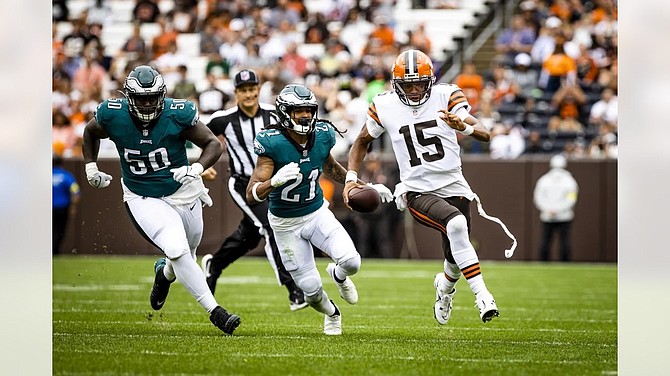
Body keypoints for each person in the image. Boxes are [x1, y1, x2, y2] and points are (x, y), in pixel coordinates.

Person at [345, 49, 517, 326]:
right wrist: (351, 176)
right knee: (457, 226)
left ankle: (445, 288)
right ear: (395, 84)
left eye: (420, 83)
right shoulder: (384, 104)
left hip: (453, 183)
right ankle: (483, 295)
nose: (414, 90)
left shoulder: (446, 95)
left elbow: (485, 133)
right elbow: (361, 141)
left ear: (431, 80)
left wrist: (464, 126)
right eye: (407, 84)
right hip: (416, 190)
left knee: (453, 254)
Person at [81, 65, 241, 335]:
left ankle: (163, 274)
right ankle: (216, 312)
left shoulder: (177, 113)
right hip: (143, 195)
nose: (146, 104)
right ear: (129, 97)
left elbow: (213, 144)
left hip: (183, 190)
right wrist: (90, 166)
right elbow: (90, 132)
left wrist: (196, 169)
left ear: (162, 95)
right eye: (141, 98)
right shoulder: (112, 113)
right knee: (177, 249)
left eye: (152, 97)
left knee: (186, 254)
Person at [244, 83, 393, 335]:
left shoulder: (323, 133)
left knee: (352, 262)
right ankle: (333, 313)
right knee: (311, 290)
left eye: (308, 110)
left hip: (316, 213)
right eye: (297, 110)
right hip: (285, 224)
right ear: (284, 113)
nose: (304, 115)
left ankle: (338, 274)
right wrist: (274, 182)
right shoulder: (271, 142)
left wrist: (360, 185)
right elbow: (251, 194)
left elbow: (331, 167)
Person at [200, 69, 307, 311]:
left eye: (252, 89)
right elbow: (198, 137)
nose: (249, 94)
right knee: (271, 226)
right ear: (236, 93)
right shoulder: (223, 119)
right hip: (243, 184)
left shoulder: (274, 114)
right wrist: (201, 166)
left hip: (274, 184)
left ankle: (214, 265)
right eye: (243, 90)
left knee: (249, 236)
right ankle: (293, 291)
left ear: (258, 89)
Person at [533, 154, 579, 261]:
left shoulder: (543, 180)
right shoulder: (570, 181)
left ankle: (543, 262)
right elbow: (571, 199)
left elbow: (538, 197)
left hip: (548, 215)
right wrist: (558, 210)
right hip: (564, 215)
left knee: (546, 239)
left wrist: (548, 209)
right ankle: (565, 262)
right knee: (564, 240)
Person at [52, 154, 81, 255]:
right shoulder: (66, 176)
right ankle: (55, 250)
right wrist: (73, 206)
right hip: (62, 208)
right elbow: (75, 191)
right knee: (60, 229)